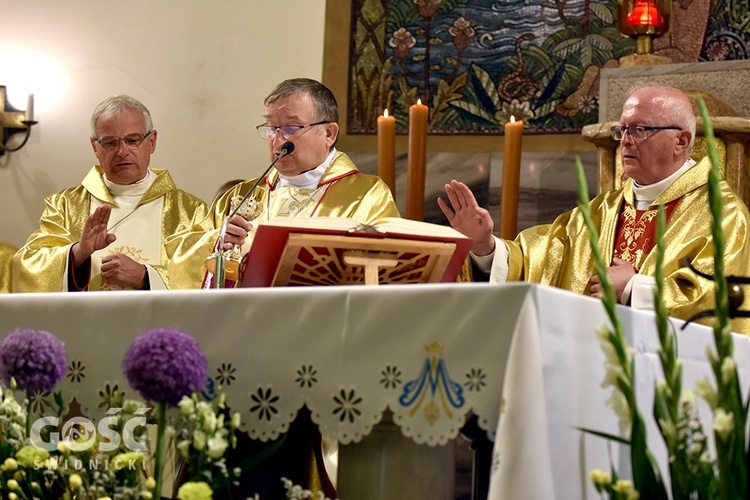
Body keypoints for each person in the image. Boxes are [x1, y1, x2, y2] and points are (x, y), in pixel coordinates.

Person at [439, 85, 750, 334]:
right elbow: (541, 259)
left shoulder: (722, 213)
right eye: (622, 130)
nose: (625, 142)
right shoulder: (604, 209)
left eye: (639, 130)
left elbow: (722, 301)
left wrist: (632, 287)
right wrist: (486, 246)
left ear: (681, 141)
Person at [166, 78, 399, 289]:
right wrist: (218, 242)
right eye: (271, 128)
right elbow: (180, 257)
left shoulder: (366, 195)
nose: (277, 140)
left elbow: (387, 270)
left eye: (291, 128)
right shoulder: (241, 196)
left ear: (329, 133)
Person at [13, 95, 208, 292]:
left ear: (152, 142)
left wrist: (145, 277)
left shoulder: (190, 211)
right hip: (88, 322)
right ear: (95, 147)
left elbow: (204, 275)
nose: (122, 152)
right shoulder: (64, 206)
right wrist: (78, 253)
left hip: (158, 323)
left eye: (133, 140)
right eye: (110, 143)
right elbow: (28, 266)